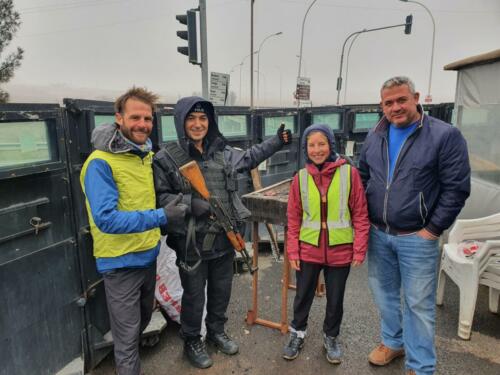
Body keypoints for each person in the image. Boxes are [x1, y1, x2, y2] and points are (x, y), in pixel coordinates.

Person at [153, 96, 291, 369]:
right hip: (191, 242)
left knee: (221, 291)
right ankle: (192, 339)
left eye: (203, 118)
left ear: (210, 121)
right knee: (193, 296)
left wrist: (277, 141)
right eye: (191, 119)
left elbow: (250, 157)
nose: (197, 124)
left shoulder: (223, 152)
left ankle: (216, 331)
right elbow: (159, 198)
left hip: (223, 239)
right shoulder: (166, 158)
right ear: (181, 122)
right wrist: (189, 203)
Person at [358, 76, 471, 375]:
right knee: (384, 295)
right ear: (381, 105)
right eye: (388, 102)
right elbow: (363, 176)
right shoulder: (375, 136)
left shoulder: (444, 136)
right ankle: (393, 343)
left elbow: (456, 188)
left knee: (418, 306)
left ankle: (421, 367)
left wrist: (432, 230)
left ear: (416, 97)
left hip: (417, 237)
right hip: (378, 233)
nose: (395, 107)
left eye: (401, 100)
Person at [80, 87, 188, 375]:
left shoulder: (143, 154)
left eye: (148, 118)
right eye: (135, 117)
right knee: (127, 340)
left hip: (147, 256)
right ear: (119, 118)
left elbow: (147, 198)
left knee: (139, 325)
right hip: (120, 263)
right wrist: (162, 215)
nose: (143, 124)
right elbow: (106, 219)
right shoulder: (100, 163)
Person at [283, 124, 370, 364]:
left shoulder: (348, 174)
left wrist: (360, 248)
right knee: (302, 297)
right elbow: (293, 218)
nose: (317, 149)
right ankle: (297, 334)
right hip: (308, 249)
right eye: (311, 145)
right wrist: (292, 249)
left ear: (331, 145)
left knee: (335, 299)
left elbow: (361, 214)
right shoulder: (300, 178)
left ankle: (331, 337)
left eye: (322, 144)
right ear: (305, 148)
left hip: (340, 250)